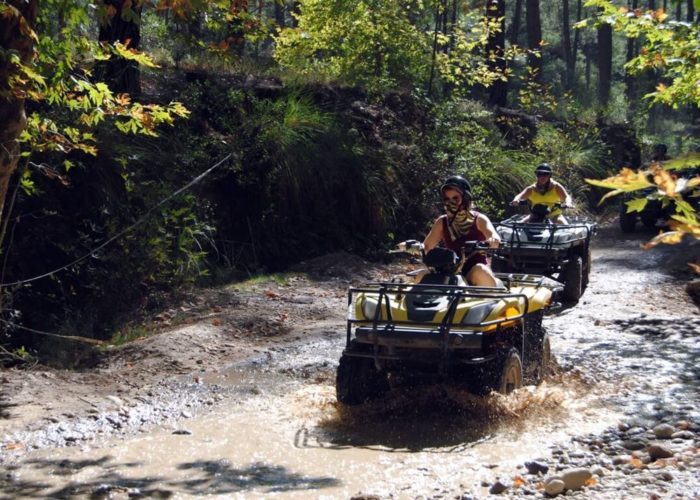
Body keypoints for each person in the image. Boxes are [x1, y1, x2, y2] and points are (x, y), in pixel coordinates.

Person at [423, 175, 501, 287]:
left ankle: (492, 300)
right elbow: (426, 246)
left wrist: (494, 240)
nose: (451, 202)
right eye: (447, 199)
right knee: (422, 275)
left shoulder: (479, 219)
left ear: (465, 198)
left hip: (474, 269)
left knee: (480, 271)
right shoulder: (442, 222)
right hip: (449, 270)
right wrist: (412, 247)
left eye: (455, 198)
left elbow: (493, 235)